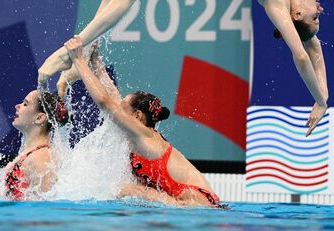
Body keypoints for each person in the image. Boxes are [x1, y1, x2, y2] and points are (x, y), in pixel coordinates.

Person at [39, 0, 328, 137]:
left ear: (297, 14)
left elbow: (302, 55)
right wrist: (324, 96)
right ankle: (80, 58)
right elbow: (314, 48)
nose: (321, 11)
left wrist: (316, 101)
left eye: (315, 18)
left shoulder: (276, 1)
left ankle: (72, 49)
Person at [64, 37, 223, 207]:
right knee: (129, 191)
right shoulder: (143, 134)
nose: (118, 108)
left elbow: (104, 101)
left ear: (137, 116)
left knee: (131, 190)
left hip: (199, 203)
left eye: (123, 106)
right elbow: (112, 97)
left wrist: (79, 60)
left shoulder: (143, 135)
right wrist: (96, 62)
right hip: (194, 203)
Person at [4, 89, 69, 200]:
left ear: (39, 118)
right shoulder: (31, 154)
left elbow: (48, 205)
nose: (17, 106)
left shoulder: (41, 158)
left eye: (25, 104)